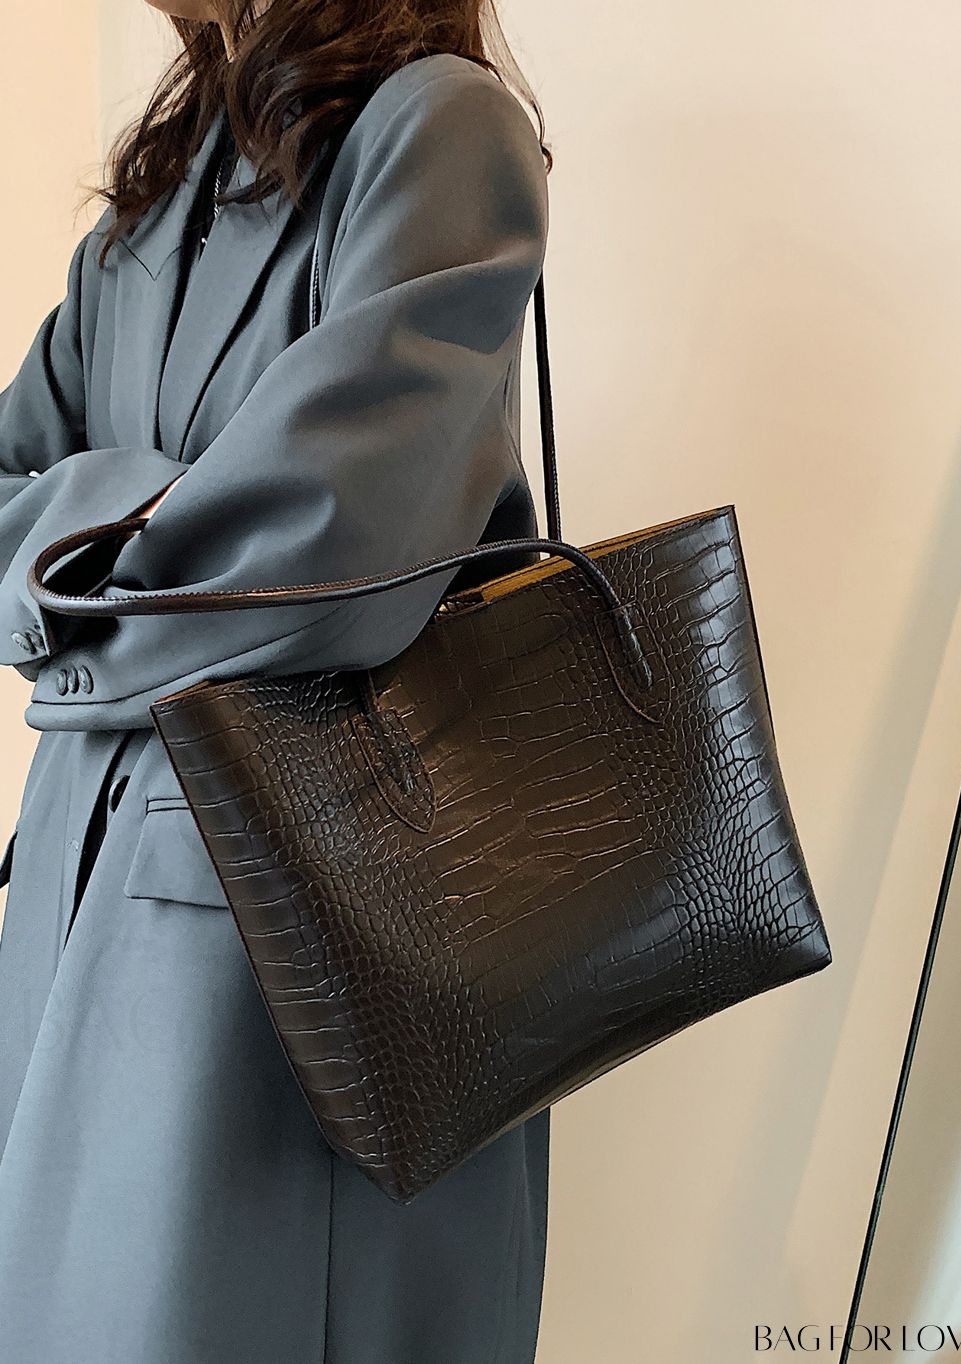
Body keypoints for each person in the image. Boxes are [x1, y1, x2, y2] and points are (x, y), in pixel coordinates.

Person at [0, 2, 552, 1360]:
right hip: (76, 912)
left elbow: (328, 543)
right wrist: (167, 513)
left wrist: (74, 575)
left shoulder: (439, 130)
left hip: (295, 935)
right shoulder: (147, 212)